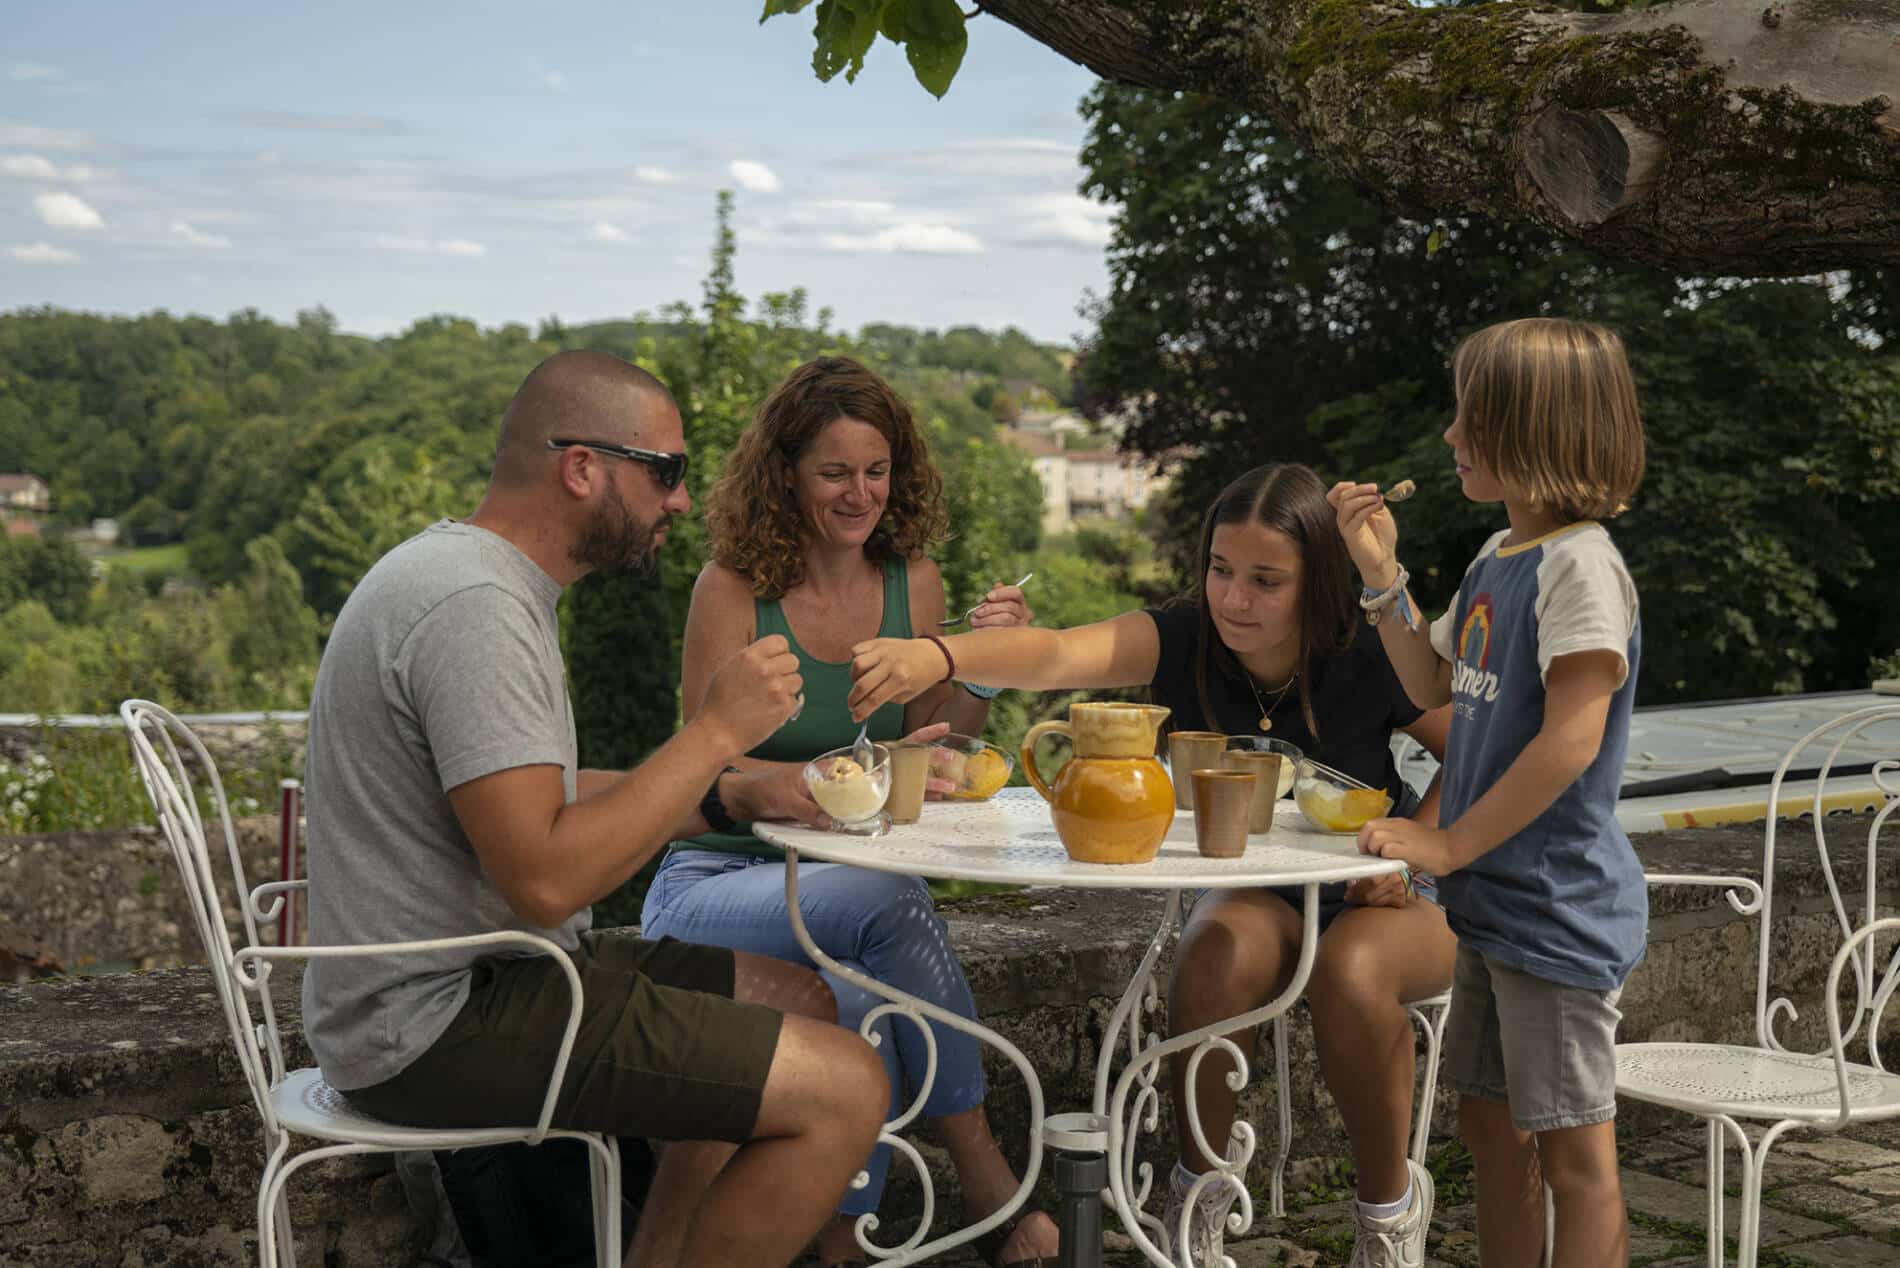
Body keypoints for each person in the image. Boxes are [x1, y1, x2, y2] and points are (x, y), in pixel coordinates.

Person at [299, 350, 888, 1268]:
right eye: (665, 471)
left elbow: (536, 797)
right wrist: (716, 734)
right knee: (847, 1088)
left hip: (485, 979)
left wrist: (731, 794)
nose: (682, 500)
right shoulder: (474, 609)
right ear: (582, 468)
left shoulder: (474, 580)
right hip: (438, 1018)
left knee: (803, 1002)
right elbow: (544, 876)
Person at [848, 462, 1456, 1268]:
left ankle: (1388, 1218)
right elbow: (1057, 652)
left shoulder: (1374, 649)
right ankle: (1196, 1208)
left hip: (1386, 895)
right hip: (1258, 889)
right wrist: (939, 656)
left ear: (1318, 584)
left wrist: (1413, 852)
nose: (1235, 599)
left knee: (1349, 971)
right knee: (1208, 964)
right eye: (1220, 570)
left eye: (1267, 581)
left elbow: (1474, 755)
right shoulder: (1183, 637)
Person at [637, 355, 1058, 1268]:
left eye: (876, 471)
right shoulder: (732, 587)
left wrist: (979, 660)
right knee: (890, 904)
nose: (859, 492)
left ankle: (845, 1244)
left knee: (858, 996)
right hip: (714, 881)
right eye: (834, 472)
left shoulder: (914, 581)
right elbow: (706, 763)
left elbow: (935, 740)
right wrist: (816, 774)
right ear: (786, 472)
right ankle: (983, 1172)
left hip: (840, 891)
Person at [1330, 316, 1647, 1268]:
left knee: (1575, 1156)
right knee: (1491, 1129)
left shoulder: (1581, 565)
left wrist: (1446, 845)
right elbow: (1431, 687)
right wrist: (1383, 578)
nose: (1451, 435)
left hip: (1553, 910)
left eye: (1470, 416)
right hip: (1498, 910)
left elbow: (1572, 741)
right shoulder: (1496, 557)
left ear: (1533, 430)